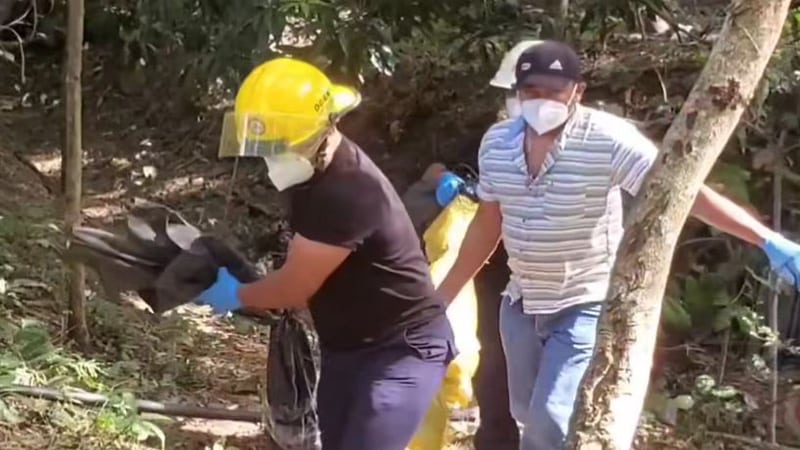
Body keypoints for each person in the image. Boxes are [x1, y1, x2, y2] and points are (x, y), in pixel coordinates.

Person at [435, 40, 800, 450]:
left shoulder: (607, 139)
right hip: (520, 306)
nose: (541, 103)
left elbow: (680, 190)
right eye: (531, 92)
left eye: (553, 92)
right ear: (517, 93)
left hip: (581, 305)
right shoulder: (498, 144)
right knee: (526, 414)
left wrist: (766, 240)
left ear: (577, 91)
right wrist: (440, 298)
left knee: (551, 425)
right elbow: (488, 223)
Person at [195, 57, 456, 450]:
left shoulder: (347, 190)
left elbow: (293, 289)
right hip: (346, 347)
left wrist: (236, 294)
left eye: (276, 148)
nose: (268, 159)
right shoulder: (311, 172)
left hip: (402, 349)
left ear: (315, 133)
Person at [471, 39, 543, 450]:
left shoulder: (593, 143)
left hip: (563, 289)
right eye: (517, 93)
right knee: (494, 365)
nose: (524, 103)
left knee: (549, 389)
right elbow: (484, 219)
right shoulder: (496, 142)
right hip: (499, 277)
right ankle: (495, 439)